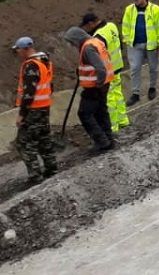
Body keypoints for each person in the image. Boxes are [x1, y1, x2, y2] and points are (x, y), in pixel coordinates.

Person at [12, 37, 57, 185]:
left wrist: (21, 115)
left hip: (33, 110)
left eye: (17, 49)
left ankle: (35, 176)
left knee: (24, 143)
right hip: (44, 107)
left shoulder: (31, 66)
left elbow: (28, 93)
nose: (17, 53)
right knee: (44, 139)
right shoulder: (44, 61)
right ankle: (52, 169)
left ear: (25, 49)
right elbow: (50, 86)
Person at [64, 26, 115, 153]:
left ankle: (101, 141)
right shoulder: (96, 42)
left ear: (76, 39)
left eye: (71, 42)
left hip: (95, 87)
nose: (72, 45)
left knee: (84, 113)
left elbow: (100, 68)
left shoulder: (87, 48)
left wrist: (98, 83)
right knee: (101, 112)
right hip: (104, 84)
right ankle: (108, 139)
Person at [82, 12, 129, 131]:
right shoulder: (111, 25)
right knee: (118, 93)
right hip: (118, 65)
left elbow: (99, 57)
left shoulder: (98, 36)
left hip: (109, 70)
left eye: (87, 26)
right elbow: (120, 44)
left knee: (109, 98)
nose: (87, 29)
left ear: (91, 23)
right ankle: (123, 119)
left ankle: (113, 125)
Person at [122, 0, 159, 106]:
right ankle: (135, 93)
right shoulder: (129, 10)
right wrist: (127, 39)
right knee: (135, 68)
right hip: (135, 44)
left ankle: (152, 87)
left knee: (153, 68)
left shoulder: (156, 10)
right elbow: (125, 26)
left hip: (151, 45)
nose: (136, 1)